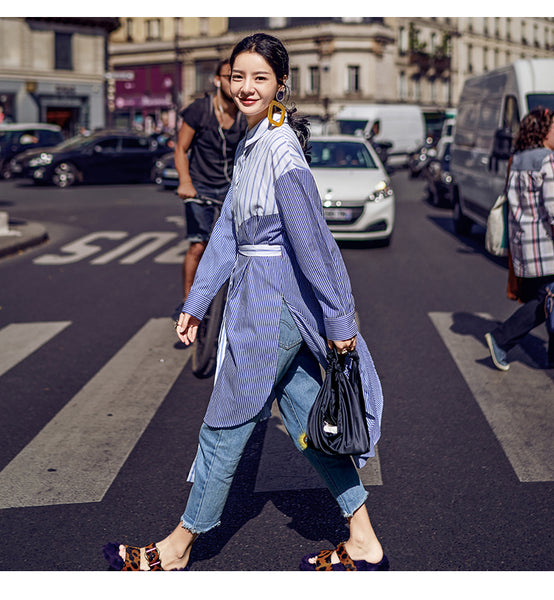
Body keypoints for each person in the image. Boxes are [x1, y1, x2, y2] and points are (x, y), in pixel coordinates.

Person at [103, 32, 387, 572]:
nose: (247, 87)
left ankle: (179, 545)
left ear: (281, 83)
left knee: (226, 423)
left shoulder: (279, 149)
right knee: (308, 419)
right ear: (227, 82)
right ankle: (364, 539)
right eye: (239, 77)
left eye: (260, 78)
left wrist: (339, 319)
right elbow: (229, 235)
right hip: (260, 296)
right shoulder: (256, 141)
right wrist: (196, 301)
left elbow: (313, 242)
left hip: (270, 305)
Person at [485, 107, 554, 371]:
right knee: (545, 300)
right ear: (542, 131)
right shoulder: (547, 159)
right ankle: (501, 339)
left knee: (545, 299)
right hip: (546, 245)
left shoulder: (518, 160)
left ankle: (549, 355)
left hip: (524, 244)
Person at [174, 58, 247, 304]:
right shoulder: (200, 110)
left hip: (231, 188)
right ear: (217, 80)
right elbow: (181, 149)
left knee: (241, 247)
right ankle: (189, 302)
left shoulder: (246, 113)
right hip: (200, 186)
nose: (236, 83)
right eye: (231, 77)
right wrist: (185, 182)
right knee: (199, 245)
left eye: (239, 77)